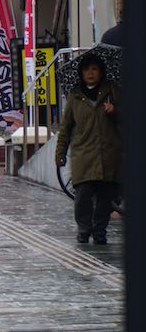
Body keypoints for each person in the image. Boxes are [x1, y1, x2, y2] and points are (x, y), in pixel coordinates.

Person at [54, 52, 123, 244]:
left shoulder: (113, 92)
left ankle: (100, 231)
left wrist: (115, 111)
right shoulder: (75, 97)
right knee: (82, 195)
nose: (90, 73)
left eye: (94, 69)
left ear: (101, 72)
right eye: (86, 69)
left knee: (105, 197)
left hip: (107, 153)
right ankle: (84, 229)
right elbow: (65, 128)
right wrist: (60, 153)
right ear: (81, 73)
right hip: (83, 154)